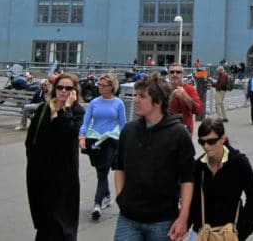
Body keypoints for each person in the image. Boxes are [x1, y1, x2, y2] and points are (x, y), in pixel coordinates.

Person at [114, 74, 195, 241]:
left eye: (142, 96)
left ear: (158, 102)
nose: (136, 100)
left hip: (162, 221)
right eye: (136, 95)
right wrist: (121, 197)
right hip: (128, 219)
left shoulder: (179, 133)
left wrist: (183, 217)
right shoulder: (128, 131)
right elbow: (119, 167)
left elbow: (188, 179)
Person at [25, 73, 85, 240]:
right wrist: (33, 159)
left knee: (62, 224)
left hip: (64, 177)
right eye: (60, 87)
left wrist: (65, 108)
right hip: (41, 174)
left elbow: (69, 132)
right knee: (45, 221)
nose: (63, 91)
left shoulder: (76, 111)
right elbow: (31, 139)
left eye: (68, 88)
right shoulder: (44, 109)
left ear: (74, 92)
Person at [189, 118, 253, 241]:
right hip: (202, 232)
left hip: (229, 234)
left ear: (222, 139)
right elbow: (194, 201)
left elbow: (252, 199)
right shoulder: (199, 166)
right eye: (202, 142)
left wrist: (243, 232)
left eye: (211, 141)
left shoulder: (239, 163)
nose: (206, 146)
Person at [79, 74, 126, 220]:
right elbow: (86, 122)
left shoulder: (118, 103)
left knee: (103, 170)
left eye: (103, 85)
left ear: (111, 87)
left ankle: (97, 204)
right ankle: (106, 195)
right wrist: (82, 136)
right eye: (99, 84)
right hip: (94, 139)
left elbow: (123, 124)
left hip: (110, 140)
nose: (99, 86)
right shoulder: (94, 102)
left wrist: (125, 142)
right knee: (100, 170)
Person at [167, 63, 203, 135]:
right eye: (172, 72)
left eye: (178, 72)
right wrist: (171, 97)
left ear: (183, 74)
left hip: (185, 131)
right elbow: (156, 110)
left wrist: (185, 96)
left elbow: (198, 110)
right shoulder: (162, 88)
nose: (175, 74)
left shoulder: (189, 89)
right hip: (167, 130)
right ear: (168, 74)